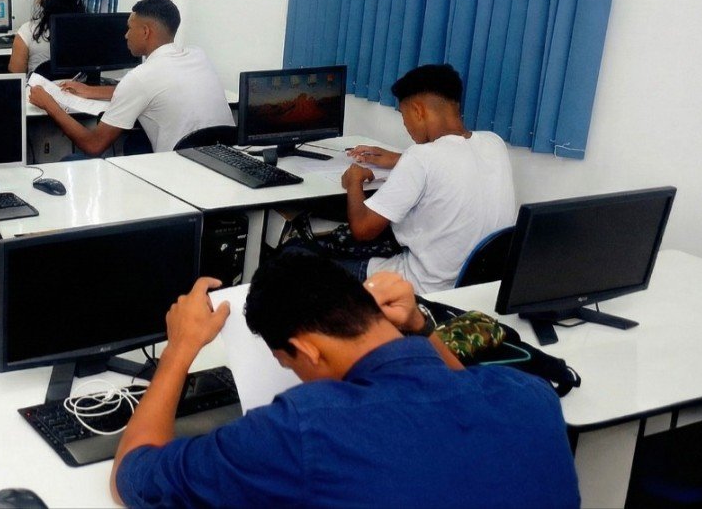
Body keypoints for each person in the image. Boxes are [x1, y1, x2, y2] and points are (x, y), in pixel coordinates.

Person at [110, 252, 579, 508]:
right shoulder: (530, 396)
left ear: (308, 349)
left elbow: (133, 478)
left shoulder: (302, 430)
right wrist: (418, 328)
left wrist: (180, 349)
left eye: (289, 364)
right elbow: (448, 390)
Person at [331, 63, 516, 291]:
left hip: (420, 289)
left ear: (418, 111)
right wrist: (400, 159)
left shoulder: (420, 158)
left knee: (302, 254)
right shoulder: (494, 143)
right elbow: (452, 163)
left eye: (404, 115)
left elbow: (362, 229)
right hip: (473, 288)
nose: (406, 125)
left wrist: (354, 182)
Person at [29, 0, 232, 155]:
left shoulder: (140, 78)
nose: (126, 35)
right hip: (223, 160)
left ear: (145, 32)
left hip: (177, 171)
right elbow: (156, 90)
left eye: (129, 28)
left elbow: (94, 145)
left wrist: (50, 104)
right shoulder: (197, 55)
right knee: (134, 143)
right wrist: (91, 91)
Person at [9, 0, 85, 76]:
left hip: (38, 87)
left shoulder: (27, 32)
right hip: (78, 87)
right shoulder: (87, 31)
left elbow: (16, 76)